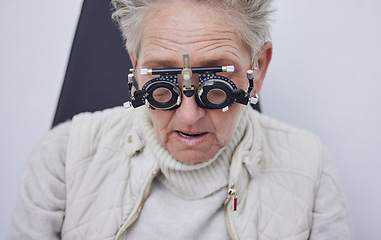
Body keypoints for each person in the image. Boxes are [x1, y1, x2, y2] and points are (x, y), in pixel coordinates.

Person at [8, 0, 353, 239]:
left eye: (216, 86)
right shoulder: (61, 160)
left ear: (258, 69)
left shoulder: (309, 167)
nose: (189, 116)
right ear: (135, 66)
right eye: (162, 81)